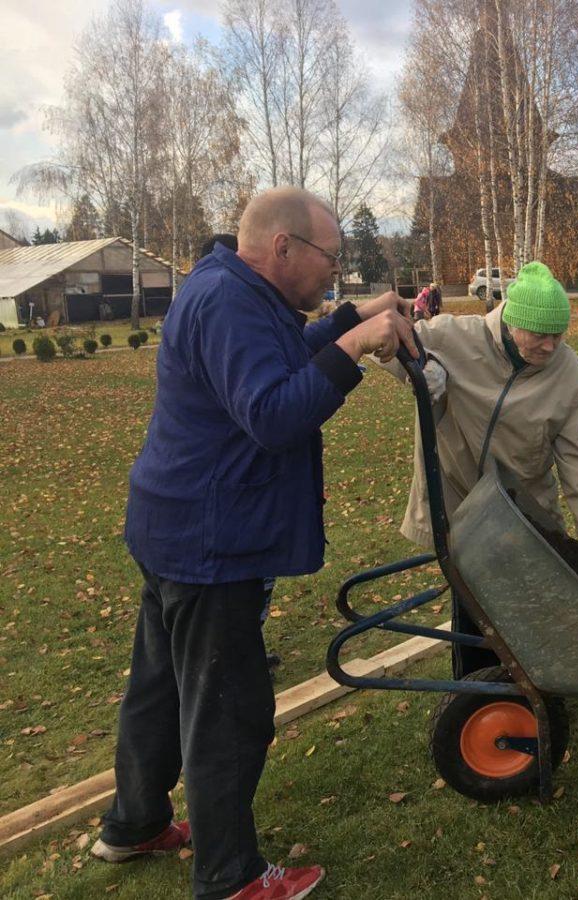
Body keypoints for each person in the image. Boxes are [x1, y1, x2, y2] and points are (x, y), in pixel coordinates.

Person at [91, 187, 416, 900]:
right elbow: (272, 414)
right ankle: (230, 877)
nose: (335, 269)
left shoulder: (233, 290)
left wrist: (351, 317)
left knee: (160, 689)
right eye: (331, 257)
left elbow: (277, 359)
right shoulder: (229, 303)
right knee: (229, 711)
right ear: (283, 247)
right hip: (211, 544)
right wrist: (353, 348)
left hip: (176, 526)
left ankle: (135, 822)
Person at [383, 261, 578, 678]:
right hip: (460, 503)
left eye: (559, 335)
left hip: (524, 510)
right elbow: (389, 342)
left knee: (530, 607)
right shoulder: (454, 338)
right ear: (512, 322)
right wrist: (417, 369)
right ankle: (479, 690)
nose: (550, 347)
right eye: (540, 334)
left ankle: (537, 686)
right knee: (474, 608)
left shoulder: (569, 375)